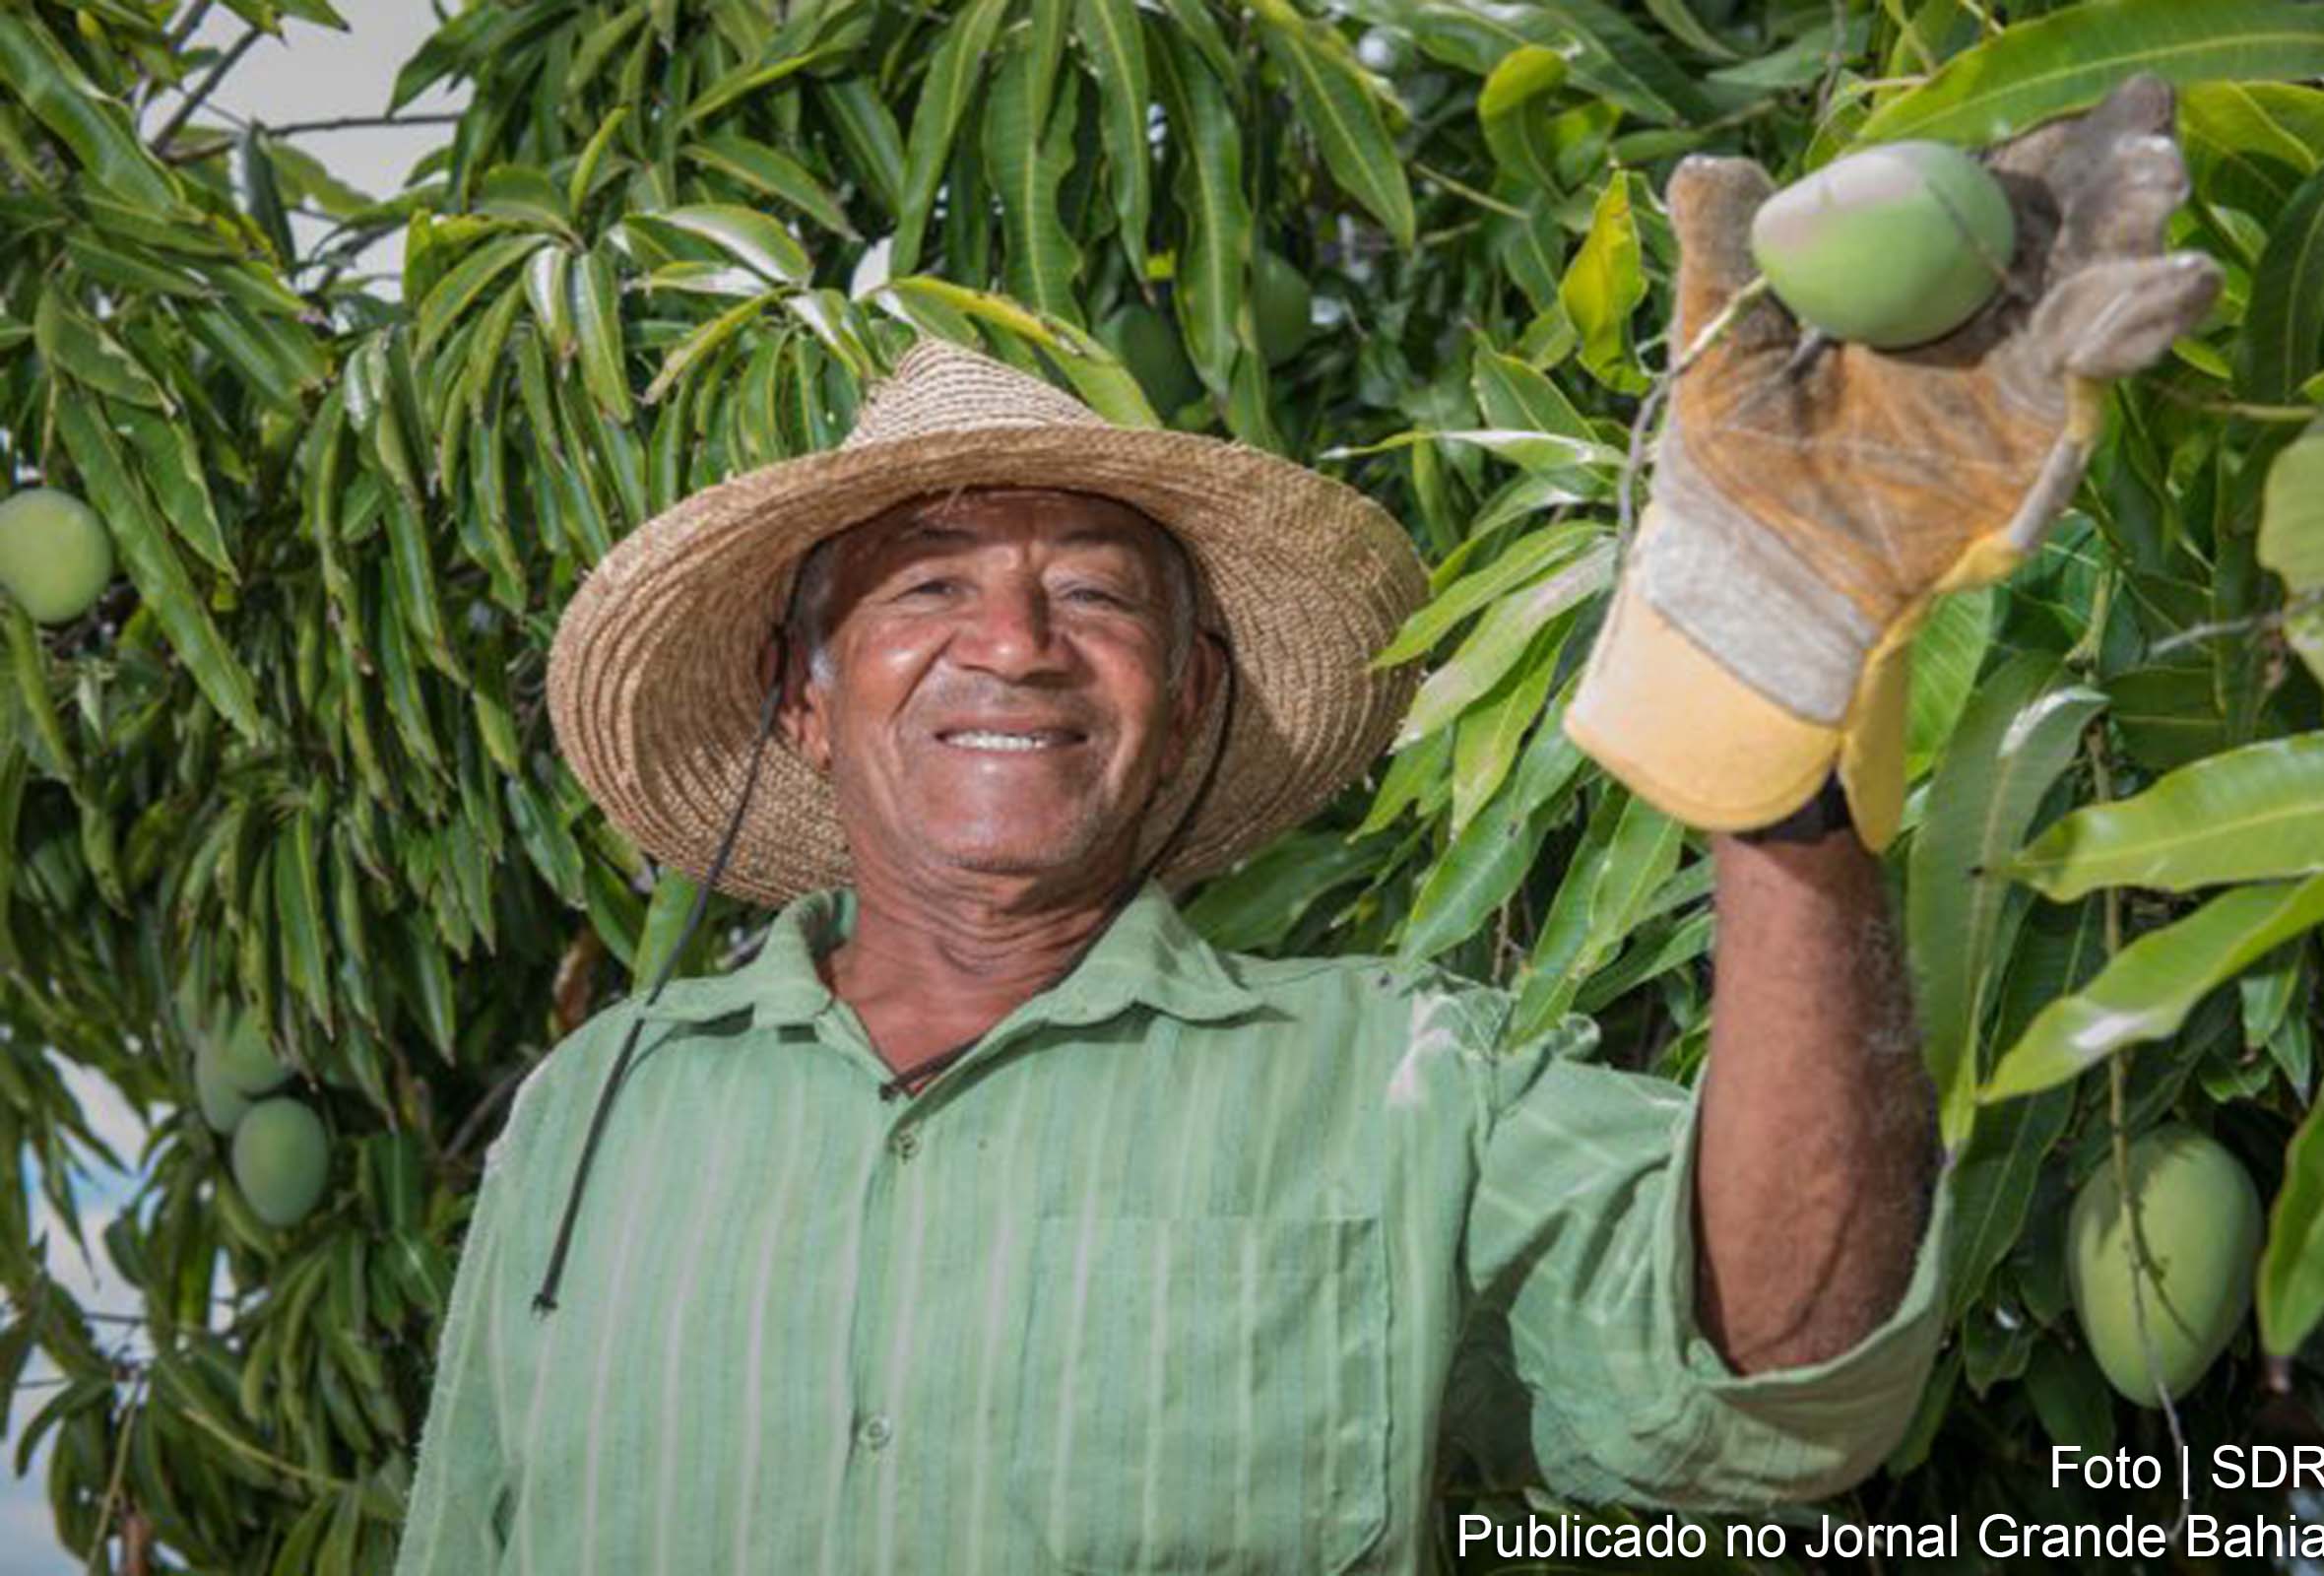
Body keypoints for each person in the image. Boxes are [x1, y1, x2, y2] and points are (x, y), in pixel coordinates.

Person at [392, 76, 2216, 1575]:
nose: (1015, 645)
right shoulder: (597, 1113)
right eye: (927, 586)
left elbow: (1778, 1383)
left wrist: (1784, 724)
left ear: (1187, 697)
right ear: (805, 695)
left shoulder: (1403, 1083)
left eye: (1097, 597)